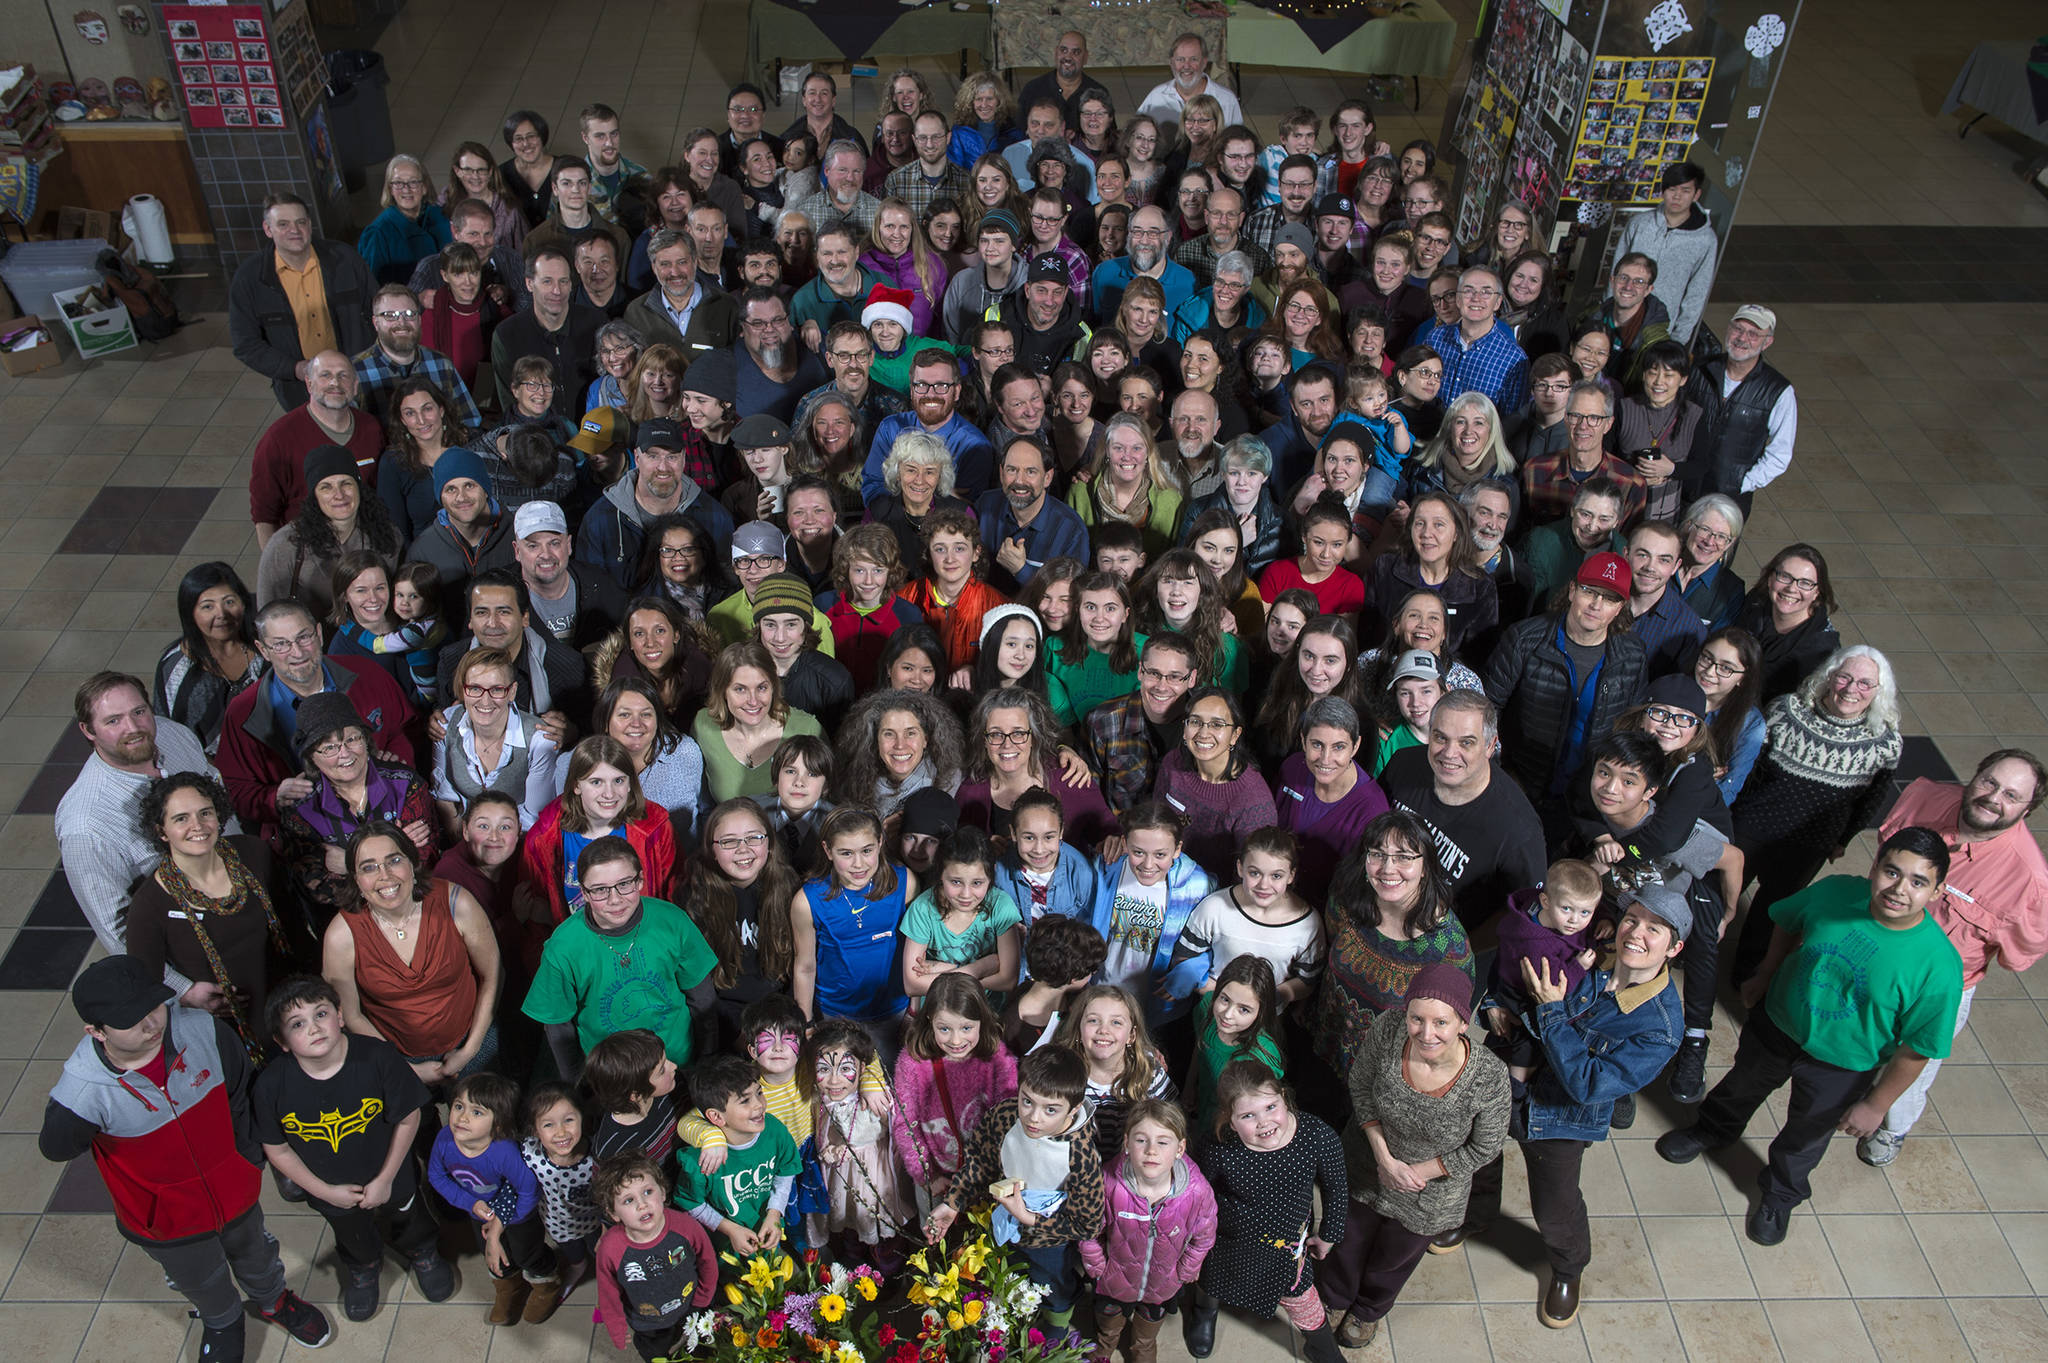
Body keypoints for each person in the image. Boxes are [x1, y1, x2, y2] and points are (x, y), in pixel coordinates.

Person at [1659, 830, 1965, 1246]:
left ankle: (1781, 1193)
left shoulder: (1938, 966)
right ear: (1874, 868)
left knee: (1806, 1134)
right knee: (1740, 1086)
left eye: (1918, 881)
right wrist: (1766, 973)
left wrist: (1877, 1105)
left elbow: (1919, 1049)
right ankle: (1712, 1129)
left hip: (1844, 1064)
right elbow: (1788, 921)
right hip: (1778, 1023)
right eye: (1892, 872)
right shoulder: (1837, 892)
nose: (1899, 889)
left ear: (1938, 890)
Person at [40, 956, 333, 1361]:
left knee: (256, 1252)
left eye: (154, 1007)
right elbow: (55, 1148)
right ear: (95, 1032)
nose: (151, 1024)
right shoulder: (84, 1090)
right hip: (163, 1218)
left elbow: (242, 1091)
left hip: (234, 1188)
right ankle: (223, 1320)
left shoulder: (204, 1032)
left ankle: (274, 1300)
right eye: (132, 1020)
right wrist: (78, 1103)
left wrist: (247, 1159)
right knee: (201, 1276)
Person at [1451, 887, 1689, 1326]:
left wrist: (1553, 1012)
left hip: (1562, 1117)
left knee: (1555, 1206)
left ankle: (1567, 1267)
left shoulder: (1660, 1027)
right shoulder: (1588, 946)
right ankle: (1477, 1215)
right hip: (1507, 1078)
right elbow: (1511, 973)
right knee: (1480, 1153)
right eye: (1632, 919)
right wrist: (1492, 1007)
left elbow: (1587, 1084)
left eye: (1653, 929)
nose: (1635, 933)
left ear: (1674, 948)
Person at [1861, 750, 2048, 1164]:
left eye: (2012, 796)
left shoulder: (2030, 881)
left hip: (1941, 985)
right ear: (1976, 773)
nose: (1994, 798)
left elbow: (2018, 955)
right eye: (1990, 782)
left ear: (2028, 809)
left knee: (1915, 1061)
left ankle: (1893, 1128)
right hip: (1878, 946)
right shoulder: (1923, 796)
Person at [1318, 965, 1508, 1349]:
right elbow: (1361, 1085)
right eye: (1416, 1018)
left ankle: (1368, 1310)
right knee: (1348, 1237)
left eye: (1441, 1021)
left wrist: (1417, 1171)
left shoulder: (1489, 1077)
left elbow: (1485, 1146)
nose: (1426, 1032)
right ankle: (1335, 1297)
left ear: (1462, 1022)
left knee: (1394, 1256)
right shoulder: (1388, 1029)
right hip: (1368, 1160)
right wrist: (1383, 1157)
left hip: (1429, 1191)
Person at [253, 976, 452, 1321]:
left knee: (409, 1214)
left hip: (391, 1173)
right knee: (351, 1231)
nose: (314, 1028)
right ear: (281, 1041)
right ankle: (364, 1266)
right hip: (329, 1186)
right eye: (297, 1024)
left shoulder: (377, 1057)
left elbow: (408, 1118)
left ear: (340, 1016)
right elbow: (278, 1149)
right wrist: (324, 1191)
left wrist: (386, 1178)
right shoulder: (271, 1085)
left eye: (321, 1014)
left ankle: (423, 1251)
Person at [1730, 646, 1904, 979]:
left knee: (1775, 909)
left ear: (1879, 692)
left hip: (1810, 840)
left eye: (1866, 684)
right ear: (1829, 677)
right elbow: (1752, 771)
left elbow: (1871, 800)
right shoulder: (1785, 711)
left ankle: (1745, 972)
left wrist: (1843, 839)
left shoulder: (1884, 743)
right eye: (1845, 677)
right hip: (1754, 825)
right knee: (1719, 889)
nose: (1852, 690)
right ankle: (1691, 949)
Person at [58, 673, 229, 992]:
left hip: (241, 911)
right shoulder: (86, 825)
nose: (134, 728)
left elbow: (218, 796)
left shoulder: (172, 735)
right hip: (192, 958)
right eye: (113, 721)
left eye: (139, 712)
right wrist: (183, 989)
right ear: (88, 730)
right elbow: (117, 928)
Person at [1184, 1059, 1347, 1362]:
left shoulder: (1317, 1137)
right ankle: (1205, 1311)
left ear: (1284, 1098)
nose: (1263, 1122)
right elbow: (1200, 1195)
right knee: (1212, 1279)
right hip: (1229, 1241)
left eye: (1271, 1107)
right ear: (1230, 1121)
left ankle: (1320, 1343)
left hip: (1285, 1248)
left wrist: (1329, 1233)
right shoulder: (1218, 1147)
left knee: (1301, 1296)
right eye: (1247, 1115)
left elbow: (1336, 1189)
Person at [320, 821, 499, 1081]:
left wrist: (469, 1051)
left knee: (483, 1114)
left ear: (412, 864)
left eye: (393, 861)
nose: (385, 876)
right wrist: (403, 1069)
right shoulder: (341, 935)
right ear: (356, 880)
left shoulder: (456, 902)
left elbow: (493, 976)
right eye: (369, 867)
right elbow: (351, 1015)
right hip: (392, 1054)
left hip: (472, 1037)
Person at [217, 600, 415, 834]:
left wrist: (395, 765)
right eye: (281, 644)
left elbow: (405, 729)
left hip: (387, 820)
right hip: (300, 839)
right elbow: (234, 789)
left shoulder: (367, 674)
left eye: (304, 637)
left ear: (319, 634)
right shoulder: (243, 713)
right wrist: (273, 798)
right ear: (263, 650)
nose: (298, 653)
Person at [1484, 553, 1648, 803]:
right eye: (1589, 591)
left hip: (1587, 794)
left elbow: (1632, 726)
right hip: (1519, 783)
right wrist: (1500, 768)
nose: (1596, 604)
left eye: (1609, 598)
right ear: (1572, 590)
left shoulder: (1632, 657)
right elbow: (1486, 707)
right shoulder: (1524, 640)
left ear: (1619, 608)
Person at [1376, 690, 1546, 927]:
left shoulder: (1519, 832)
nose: (1449, 753)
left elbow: (1522, 919)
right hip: (1380, 917)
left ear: (1490, 746)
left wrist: (1462, 955)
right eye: (1440, 738)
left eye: (1466, 742)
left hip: (1450, 951)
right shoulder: (1402, 765)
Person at [1078, 1098, 1218, 1362]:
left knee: (1152, 1316)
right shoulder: (1108, 1182)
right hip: (1114, 1277)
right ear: (1127, 1143)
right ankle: (1105, 1345)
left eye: (1163, 1142)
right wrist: (1097, 1267)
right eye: (1142, 1140)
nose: (1151, 1150)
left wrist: (1186, 1270)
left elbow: (1204, 1236)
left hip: (1163, 1281)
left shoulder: (1197, 1192)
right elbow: (1088, 1229)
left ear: (1180, 1148)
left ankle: (1143, 1347)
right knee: (1108, 1314)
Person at [231, 193, 376, 409]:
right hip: (300, 391)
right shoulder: (249, 278)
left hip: (359, 378)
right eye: (283, 224)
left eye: (301, 222)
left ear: (309, 224)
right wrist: (294, 368)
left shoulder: (345, 258)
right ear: (267, 229)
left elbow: (377, 310)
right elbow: (246, 344)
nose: (295, 230)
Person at [575, 417, 736, 589]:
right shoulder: (600, 520)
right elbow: (590, 591)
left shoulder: (713, 517)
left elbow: (725, 588)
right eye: (653, 456)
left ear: (683, 459)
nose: (663, 467)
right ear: (637, 458)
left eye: (672, 457)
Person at [592, 1153, 719, 1362]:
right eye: (628, 1200)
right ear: (614, 1213)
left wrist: (704, 1296)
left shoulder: (686, 1227)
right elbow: (608, 1292)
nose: (642, 1204)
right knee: (656, 1354)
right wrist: (616, 1326)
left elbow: (707, 1260)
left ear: (662, 1192)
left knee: (703, 1345)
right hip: (649, 1322)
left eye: (648, 1192)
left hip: (693, 1303)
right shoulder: (611, 1249)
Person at [956, 686, 1116, 850]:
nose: (1007, 744)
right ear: (984, 740)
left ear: (1034, 736)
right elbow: (958, 855)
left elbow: (1112, 836)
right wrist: (982, 853)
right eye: (996, 734)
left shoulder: (1069, 777)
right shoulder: (969, 792)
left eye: (1018, 733)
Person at [249, 354, 384, 547]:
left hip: (363, 548)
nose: (335, 383)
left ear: (355, 386)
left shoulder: (371, 428)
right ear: (309, 384)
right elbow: (264, 515)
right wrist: (275, 564)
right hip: (306, 552)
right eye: (325, 375)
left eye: (343, 375)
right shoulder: (278, 439)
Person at [1681, 303, 1796, 508]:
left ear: (1767, 342)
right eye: (1738, 329)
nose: (1742, 338)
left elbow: (1780, 454)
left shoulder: (1778, 391)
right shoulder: (1700, 369)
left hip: (1729, 500)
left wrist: (1742, 483)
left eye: (1753, 334)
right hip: (1682, 488)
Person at [155, 563, 264, 754]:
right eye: (207, 607)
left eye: (229, 602)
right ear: (190, 613)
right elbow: (174, 740)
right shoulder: (177, 670)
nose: (221, 614)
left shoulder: (265, 646)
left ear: (244, 602)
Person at [492, 246, 607, 421]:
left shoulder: (596, 324)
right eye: (547, 281)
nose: (557, 291)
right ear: (530, 284)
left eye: (563, 281)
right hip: (536, 438)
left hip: (592, 434)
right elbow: (510, 404)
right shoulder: (507, 334)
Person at [1612, 162, 1717, 347]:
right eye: (1672, 189)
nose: (1677, 196)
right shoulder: (1639, 224)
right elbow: (1615, 272)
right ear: (1663, 191)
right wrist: (1606, 315)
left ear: (1696, 194)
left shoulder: (1705, 240)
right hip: (1619, 321)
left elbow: (1697, 293)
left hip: (1660, 330)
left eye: (1685, 190)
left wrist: (1678, 340)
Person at [1518, 381, 1647, 530]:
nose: (1583, 425)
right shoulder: (1534, 471)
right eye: (1575, 415)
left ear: (1608, 424)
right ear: (1566, 419)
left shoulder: (1632, 484)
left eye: (1594, 418)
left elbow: (1628, 547)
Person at [1733, 542, 1840, 701]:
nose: (1791, 588)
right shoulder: (1756, 602)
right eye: (1785, 576)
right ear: (1770, 579)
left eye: (1805, 583)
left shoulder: (1822, 650)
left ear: (1817, 592)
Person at [1673, 494, 1747, 631]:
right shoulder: (1661, 562)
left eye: (1721, 536)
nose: (1709, 542)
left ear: (1729, 544)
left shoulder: (1732, 590)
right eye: (1705, 529)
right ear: (1688, 526)